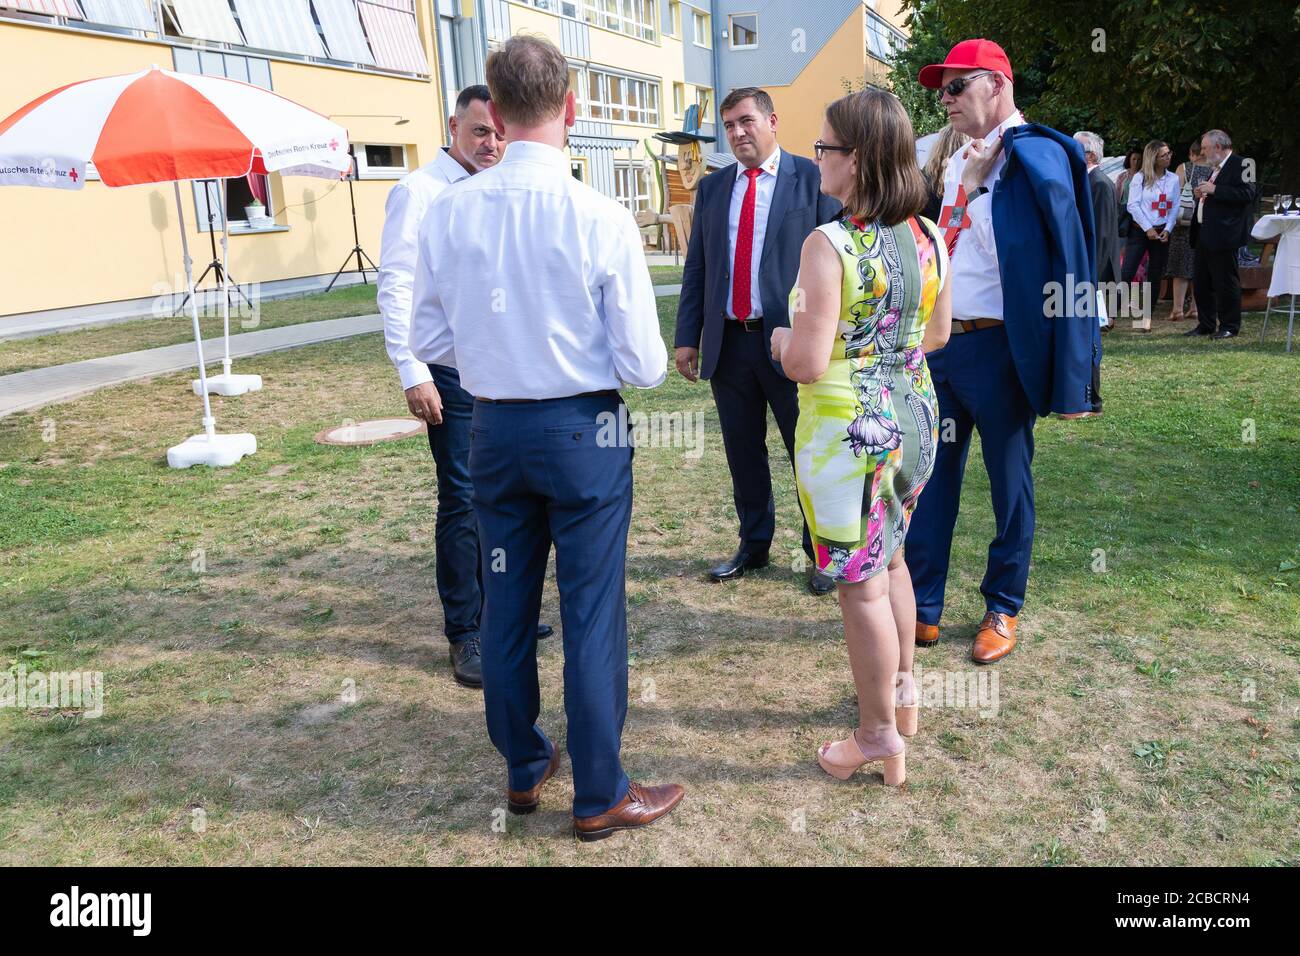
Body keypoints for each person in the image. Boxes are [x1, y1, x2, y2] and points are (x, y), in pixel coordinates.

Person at [408, 35, 683, 839]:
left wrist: (501, 360)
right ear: (570, 109)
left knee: (505, 600)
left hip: (493, 428)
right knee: (592, 608)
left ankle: (525, 763)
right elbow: (643, 362)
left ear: (491, 111)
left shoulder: (449, 209)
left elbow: (431, 331)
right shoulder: (597, 215)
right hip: (581, 427)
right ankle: (598, 789)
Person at [771, 89, 951, 784]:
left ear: (860, 159)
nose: (817, 160)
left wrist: (784, 337)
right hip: (916, 418)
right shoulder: (930, 236)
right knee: (895, 561)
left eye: (826, 149)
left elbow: (808, 362)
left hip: (850, 434)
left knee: (862, 586)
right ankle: (902, 696)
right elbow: (935, 335)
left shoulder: (831, 244)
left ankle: (877, 736)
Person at [906, 38, 1099, 664]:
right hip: (942, 346)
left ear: (997, 84)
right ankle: (923, 604)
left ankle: (1002, 605)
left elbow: (1072, 269)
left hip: (1001, 349)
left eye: (957, 86)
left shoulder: (1037, 156)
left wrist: (1076, 376)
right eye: (942, 90)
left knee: (1008, 484)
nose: (946, 100)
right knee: (931, 480)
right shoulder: (948, 158)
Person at [378, 85, 551, 690]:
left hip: (498, 366)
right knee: (462, 499)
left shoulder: (493, 189)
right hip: (448, 372)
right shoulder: (420, 192)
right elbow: (398, 285)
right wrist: (412, 370)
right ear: (453, 126)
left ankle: (506, 613)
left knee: (505, 499)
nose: (492, 144)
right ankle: (466, 632)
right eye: (480, 132)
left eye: (499, 133)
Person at [673, 87, 842, 595]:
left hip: (791, 342)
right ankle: (754, 543)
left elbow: (837, 257)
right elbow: (698, 266)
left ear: (772, 121)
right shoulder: (714, 187)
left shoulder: (811, 178)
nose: (738, 133)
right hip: (730, 344)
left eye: (746, 121)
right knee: (742, 451)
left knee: (807, 451)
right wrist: (688, 336)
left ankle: (822, 552)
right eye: (729, 125)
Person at [1188, 129, 1255, 339]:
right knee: (1202, 282)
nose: (1203, 152)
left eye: (1206, 148)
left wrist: (1214, 190)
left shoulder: (1245, 163)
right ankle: (1205, 324)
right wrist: (1201, 194)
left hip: (1225, 234)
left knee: (1225, 282)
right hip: (1204, 233)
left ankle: (1229, 325)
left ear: (1218, 146)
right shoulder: (1215, 167)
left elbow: (1248, 193)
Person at [1123, 140, 1179, 330]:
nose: (1168, 157)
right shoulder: (1140, 178)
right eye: (1164, 155)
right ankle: (1110, 316)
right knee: (1127, 271)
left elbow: (1175, 206)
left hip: (1162, 231)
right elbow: (1133, 205)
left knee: (1155, 275)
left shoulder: (1173, 179)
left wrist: (1168, 229)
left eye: (1169, 153)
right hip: (1140, 231)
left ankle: (1146, 317)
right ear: (1153, 158)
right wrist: (1148, 228)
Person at [1074, 130, 1120, 331]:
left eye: (1076, 149)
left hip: (1098, 252)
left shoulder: (1099, 183)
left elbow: (1102, 228)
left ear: (1091, 155)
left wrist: (1094, 263)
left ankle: (1101, 321)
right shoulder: (1089, 181)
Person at [1167, 138, 1211, 322]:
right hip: (1204, 221)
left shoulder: (1183, 168)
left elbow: (1173, 194)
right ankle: (1195, 308)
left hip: (1183, 223)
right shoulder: (1215, 171)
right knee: (1199, 266)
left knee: (1180, 266)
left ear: (1192, 154)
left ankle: (1177, 309)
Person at [921, 124, 971, 222]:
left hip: (928, 234)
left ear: (939, 145)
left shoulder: (925, 176)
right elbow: (954, 223)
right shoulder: (970, 178)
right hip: (951, 233)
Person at [1116, 148, 1143, 239]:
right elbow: (1117, 195)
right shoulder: (1122, 176)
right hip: (1124, 210)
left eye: (1139, 159)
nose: (1136, 162)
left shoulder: (1145, 176)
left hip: (1139, 210)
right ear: (1129, 160)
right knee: (1122, 233)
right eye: (1134, 159)